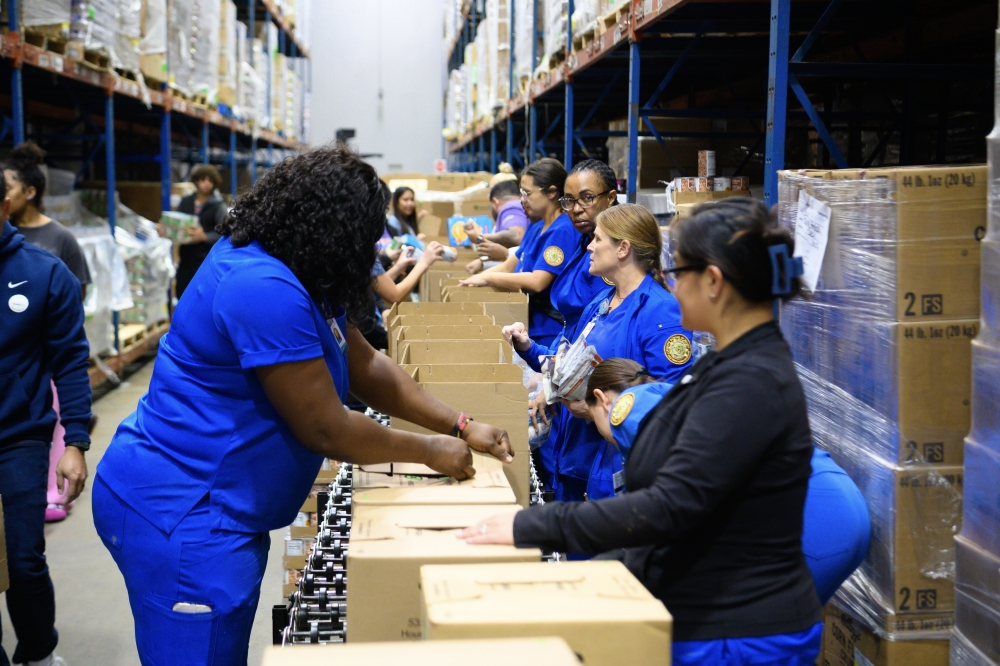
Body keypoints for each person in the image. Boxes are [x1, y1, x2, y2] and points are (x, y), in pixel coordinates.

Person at [92, 147, 514, 665]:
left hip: (221, 509)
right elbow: (325, 428)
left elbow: (365, 363)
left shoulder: (303, 271)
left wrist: (460, 423)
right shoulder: (261, 286)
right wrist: (430, 450)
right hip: (181, 510)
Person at [462, 197, 825, 666]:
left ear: (713, 282)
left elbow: (668, 506)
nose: (670, 283)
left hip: (736, 630)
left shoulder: (749, 384)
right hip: (706, 608)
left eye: (679, 271)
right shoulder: (731, 365)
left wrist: (530, 526)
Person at [585, 358, 870, 604]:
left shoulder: (631, 412)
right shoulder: (671, 396)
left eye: (593, 418)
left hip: (810, 518)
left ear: (603, 399)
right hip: (832, 499)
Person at [504, 204, 693, 501]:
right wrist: (527, 347)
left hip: (616, 471)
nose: (589, 246)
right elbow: (567, 363)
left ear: (623, 249)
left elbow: (670, 400)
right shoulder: (600, 302)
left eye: (598, 239)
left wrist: (597, 412)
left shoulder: (660, 312)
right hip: (575, 460)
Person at [1, 177, 91, 666]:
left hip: (19, 436)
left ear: (5, 205)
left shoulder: (44, 272)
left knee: (22, 559)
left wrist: (75, 441)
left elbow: (70, 361)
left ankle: (38, 653)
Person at [503, 159, 619, 492]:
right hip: (569, 381)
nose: (576, 209)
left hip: (592, 400)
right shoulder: (584, 246)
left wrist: (553, 386)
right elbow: (578, 334)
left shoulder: (610, 275)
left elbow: (600, 346)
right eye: (570, 201)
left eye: (587, 198)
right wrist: (546, 371)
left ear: (611, 198)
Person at [5, 142, 92, 524]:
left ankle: (53, 494)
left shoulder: (55, 249)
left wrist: (76, 440)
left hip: (31, 393)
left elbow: (73, 310)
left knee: (23, 556)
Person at [458, 158, 577, 348]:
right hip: (530, 321)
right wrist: (471, 281)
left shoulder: (562, 230)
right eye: (521, 193)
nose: (522, 199)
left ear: (552, 192)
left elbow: (537, 281)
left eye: (527, 193)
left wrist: (488, 279)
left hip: (550, 328)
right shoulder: (536, 226)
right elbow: (509, 266)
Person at [174, 164, 229, 298]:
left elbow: (225, 233)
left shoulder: (218, 205)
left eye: (210, 181)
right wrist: (165, 230)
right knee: (182, 294)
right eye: (203, 180)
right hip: (186, 260)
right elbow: (176, 224)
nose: (206, 184)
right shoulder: (186, 202)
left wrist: (205, 236)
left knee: (201, 297)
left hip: (206, 261)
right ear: (197, 181)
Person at [464, 179, 531, 274]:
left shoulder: (511, 206)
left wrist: (480, 237)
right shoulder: (520, 208)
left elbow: (517, 236)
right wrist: (484, 263)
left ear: (495, 201)